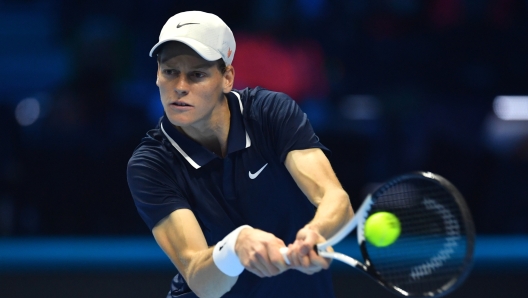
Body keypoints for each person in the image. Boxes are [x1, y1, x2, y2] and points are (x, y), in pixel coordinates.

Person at [127, 11, 354, 298]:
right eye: (169, 71)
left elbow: (336, 200)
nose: (180, 87)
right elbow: (201, 279)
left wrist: (316, 232)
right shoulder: (151, 164)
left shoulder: (270, 113)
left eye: (197, 74)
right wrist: (234, 247)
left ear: (227, 78)